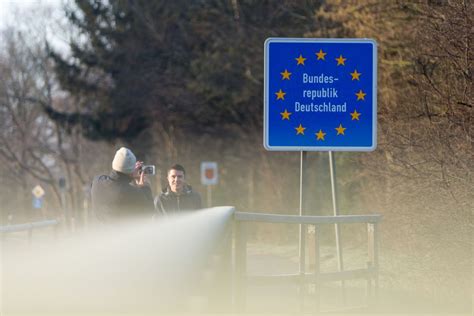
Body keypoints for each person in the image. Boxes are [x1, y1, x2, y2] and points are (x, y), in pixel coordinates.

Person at [91, 147, 155, 223]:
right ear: (131, 171)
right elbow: (149, 211)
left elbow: (117, 180)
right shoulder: (132, 193)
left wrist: (129, 173)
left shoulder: (97, 182)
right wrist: (145, 187)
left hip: (99, 233)